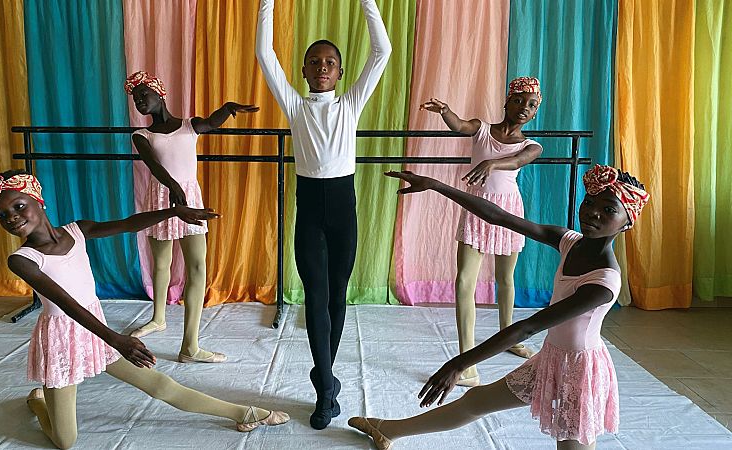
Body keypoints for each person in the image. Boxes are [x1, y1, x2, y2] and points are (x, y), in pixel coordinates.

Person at [0, 170, 288, 449]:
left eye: (18, 206)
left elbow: (127, 224)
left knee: (161, 385)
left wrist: (173, 211)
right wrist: (116, 339)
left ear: (38, 201)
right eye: (3, 215)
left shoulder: (76, 231)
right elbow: (67, 305)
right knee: (65, 441)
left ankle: (246, 413)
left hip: (96, 331)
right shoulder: (23, 260)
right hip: (64, 339)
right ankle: (38, 402)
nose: (12, 218)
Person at [349, 165, 650, 450]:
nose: (593, 213)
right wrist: (436, 186)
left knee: (570, 443)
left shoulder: (604, 282)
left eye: (609, 209)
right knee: (476, 401)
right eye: (590, 202)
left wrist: (459, 363)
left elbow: (527, 327)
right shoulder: (570, 242)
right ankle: (387, 430)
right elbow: (500, 217)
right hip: (553, 358)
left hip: (579, 371)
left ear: (627, 222)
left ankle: (389, 430)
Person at [255, 0, 392, 430]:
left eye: (330, 62)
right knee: (315, 294)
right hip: (311, 210)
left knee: (337, 294)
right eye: (314, 62)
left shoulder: (350, 105)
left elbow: (382, 52)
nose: (322, 67)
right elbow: (264, 54)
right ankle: (324, 391)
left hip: (343, 210)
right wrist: (267, 4)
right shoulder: (296, 108)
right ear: (303, 71)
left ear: (340, 72)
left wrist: (368, 3)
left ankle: (324, 377)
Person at [125, 70, 258, 364]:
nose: (139, 101)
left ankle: (190, 346)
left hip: (190, 200)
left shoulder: (188, 126)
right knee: (161, 263)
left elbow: (210, 122)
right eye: (135, 99)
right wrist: (172, 188)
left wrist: (227, 108)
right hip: (161, 199)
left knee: (198, 266)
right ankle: (158, 317)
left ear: (160, 94)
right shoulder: (141, 135)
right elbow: (154, 166)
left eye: (143, 95)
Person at [418, 77, 544, 386]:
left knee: (505, 279)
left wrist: (492, 163)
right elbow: (459, 125)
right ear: (506, 101)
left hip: (509, 213)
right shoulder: (482, 129)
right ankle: (467, 364)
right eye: (519, 101)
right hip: (477, 208)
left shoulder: (533, 145)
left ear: (536, 111)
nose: (524, 109)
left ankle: (509, 337)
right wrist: (445, 111)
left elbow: (518, 159)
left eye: (532, 105)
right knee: (464, 282)